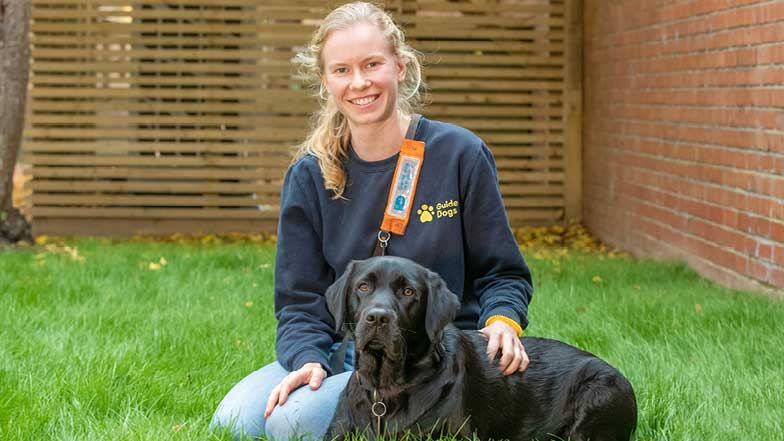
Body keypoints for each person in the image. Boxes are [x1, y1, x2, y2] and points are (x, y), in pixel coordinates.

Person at [211, 2, 534, 439]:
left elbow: (503, 273)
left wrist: (502, 321)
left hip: (434, 358)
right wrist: (309, 360)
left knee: (292, 422)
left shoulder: (459, 154)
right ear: (325, 81)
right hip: (348, 350)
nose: (359, 82)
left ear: (400, 66)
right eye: (342, 70)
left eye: (372, 64)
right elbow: (300, 299)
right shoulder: (309, 174)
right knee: (235, 420)